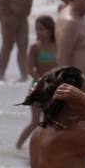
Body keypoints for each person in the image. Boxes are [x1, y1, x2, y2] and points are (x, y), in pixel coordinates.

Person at [16, 15, 59, 149]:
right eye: (37, 29)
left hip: (54, 88)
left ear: (50, 30)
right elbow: (30, 70)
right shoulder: (35, 47)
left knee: (50, 122)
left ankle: (44, 149)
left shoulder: (58, 45)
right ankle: (18, 147)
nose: (39, 32)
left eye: (42, 29)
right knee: (35, 122)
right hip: (38, 87)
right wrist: (42, 81)